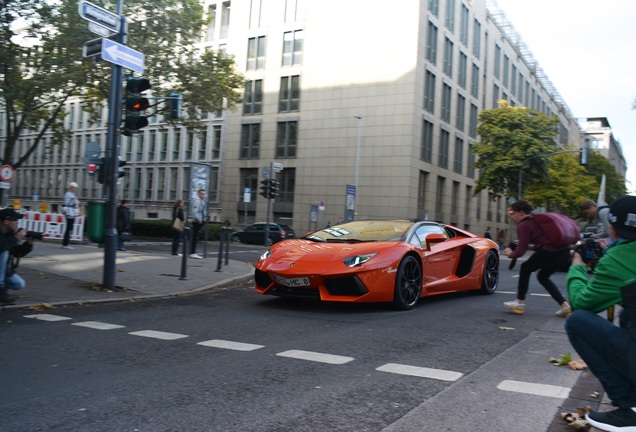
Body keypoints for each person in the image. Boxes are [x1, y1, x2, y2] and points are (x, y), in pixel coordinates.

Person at [565, 195, 636, 431]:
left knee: (578, 322)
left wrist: (577, 265)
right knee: (627, 315)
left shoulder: (618, 260)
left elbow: (582, 302)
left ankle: (631, 407)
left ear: (612, 227)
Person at [503, 200, 571, 317]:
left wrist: (510, 254)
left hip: (550, 251)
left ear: (521, 212)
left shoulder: (524, 224)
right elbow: (541, 243)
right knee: (543, 276)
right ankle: (565, 306)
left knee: (525, 268)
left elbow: (521, 251)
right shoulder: (536, 220)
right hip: (564, 252)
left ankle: (520, 302)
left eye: (513, 213)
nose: (512, 216)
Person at [0, 208, 35, 305]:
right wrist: (15, 238)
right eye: (15, 220)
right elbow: (2, 247)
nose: (17, 223)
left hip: (2, 270)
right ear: (6, 221)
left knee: (19, 284)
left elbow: (16, 253)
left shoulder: (9, 234)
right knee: (4, 252)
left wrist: (28, 244)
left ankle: (2, 287)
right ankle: (0, 289)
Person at [61, 181, 80, 250]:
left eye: (75, 188)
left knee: (69, 228)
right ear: (70, 188)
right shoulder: (69, 194)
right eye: (73, 188)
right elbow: (67, 203)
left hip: (73, 212)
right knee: (69, 228)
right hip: (70, 212)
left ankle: (66, 243)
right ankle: (65, 244)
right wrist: (73, 200)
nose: (75, 189)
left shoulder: (73, 195)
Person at [189, 189, 206, 259]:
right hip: (197, 221)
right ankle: (192, 253)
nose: (203, 195)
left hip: (199, 221)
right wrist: (199, 219)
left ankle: (193, 252)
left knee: (196, 238)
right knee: (194, 238)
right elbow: (195, 211)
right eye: (202, 193)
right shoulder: (197, 201)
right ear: (199, 194)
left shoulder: (202, 201)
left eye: (204, 194)